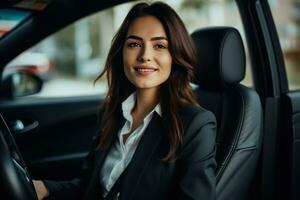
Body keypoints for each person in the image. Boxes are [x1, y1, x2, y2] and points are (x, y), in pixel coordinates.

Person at [33, 1, 217, 200]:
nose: (145, 56)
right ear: (122, 52)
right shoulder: (112, 113)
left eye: (159, 46)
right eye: (134, 44)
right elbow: (90, 187)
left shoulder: (196, 125)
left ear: (175, 55)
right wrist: (45, 188)